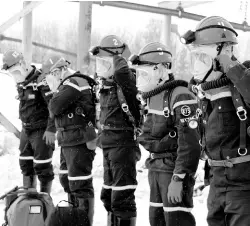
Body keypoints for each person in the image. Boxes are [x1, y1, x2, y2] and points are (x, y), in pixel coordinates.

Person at [182, 15, 250, 226]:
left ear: (224, 52)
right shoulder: (206, 93)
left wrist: (230, 64)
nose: (197, 65)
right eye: (195, 57)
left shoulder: (242, 80)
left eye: (203, 57)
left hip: (243, 186)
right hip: (217, 182)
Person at [129, 42, 200, 226]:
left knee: (176, 221)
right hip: (156, 168)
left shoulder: (180, 95)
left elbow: (189, 144)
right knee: (156, 220)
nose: (140, 79)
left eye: (144, 73)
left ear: (160, 70)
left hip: (173, 170)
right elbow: (147, 136)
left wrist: (179, 178)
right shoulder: (152, 96)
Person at [89, 35, 141, 226]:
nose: (99, 66)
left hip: (123, 145)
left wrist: (119, 56)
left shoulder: (126, 82)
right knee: (108, 195)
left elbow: (122, 75)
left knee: (122, 199)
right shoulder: (105, 85)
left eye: (104, 61)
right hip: (108, 145)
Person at [41, 54, 97, 225]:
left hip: (78, 140)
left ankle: (83, 222)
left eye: (48, 77)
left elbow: (54, 106)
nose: (46, 82)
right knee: (67, 181)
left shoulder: (74, 82)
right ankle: (73, 220)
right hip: (68, 140)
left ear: (57, 72)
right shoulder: (67, 85)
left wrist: (54, 92)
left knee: (80, 185)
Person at [2, 50, 55, 194]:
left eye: (16, 72)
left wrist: (51, 129)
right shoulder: (21, 83)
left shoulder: (41, 80)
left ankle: (45, 201)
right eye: (12, 73)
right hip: (27, 129)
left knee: (42, 166)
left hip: (42, 129)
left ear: (23, 64)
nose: (15, 76)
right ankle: (29, 199)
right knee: (25, 164)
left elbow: (53, 106)